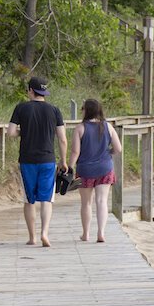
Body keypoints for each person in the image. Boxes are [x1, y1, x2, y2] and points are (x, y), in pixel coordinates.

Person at [7, 76, 66, 247]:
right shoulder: (54, 110)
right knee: (46, 199)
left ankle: (32, 237)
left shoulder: (21, 108)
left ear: (31, 91)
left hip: (27, 160)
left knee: (29, 200)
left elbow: (11, 132)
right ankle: (45, 233)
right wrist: (63, 160)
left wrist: (22, 133)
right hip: (48, 159)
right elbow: (62, 139)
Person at [67, 97, 123, 243]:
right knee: (102, 201)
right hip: (105, 167)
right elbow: (118, 149)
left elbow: (75, 152)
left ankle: (86, 234)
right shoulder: (108, 126)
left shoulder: (80, 128)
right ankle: (101, 233)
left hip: (85, 169)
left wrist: (70, 167)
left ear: (86, 111)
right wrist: (107, 153)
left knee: (86, 203)